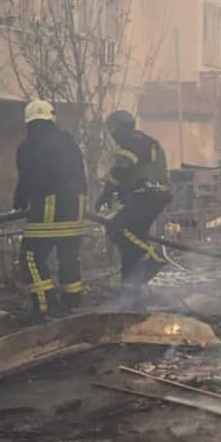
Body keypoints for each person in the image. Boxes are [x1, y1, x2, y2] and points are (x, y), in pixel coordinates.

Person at [14, 98, 87, 319]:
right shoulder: (68, 140)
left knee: (31, 256)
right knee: (68, 255)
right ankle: (72, 303)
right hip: (76, 207)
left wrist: (19, 199)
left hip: (50, 207)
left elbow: (27, 177)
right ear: (51, 119)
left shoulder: (29, 145)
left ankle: (45, 307)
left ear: (29, 123)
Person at [95, 110, 173, 290]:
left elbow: (120, 169)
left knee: (117, 228)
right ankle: (130, 288)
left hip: (148, 196)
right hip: (152, 194)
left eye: (112, 131)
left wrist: (105, 193)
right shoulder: (144, 141)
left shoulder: (132, 142)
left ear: (120, 129)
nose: (112, 136)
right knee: (134, 239)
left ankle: (153, 256)